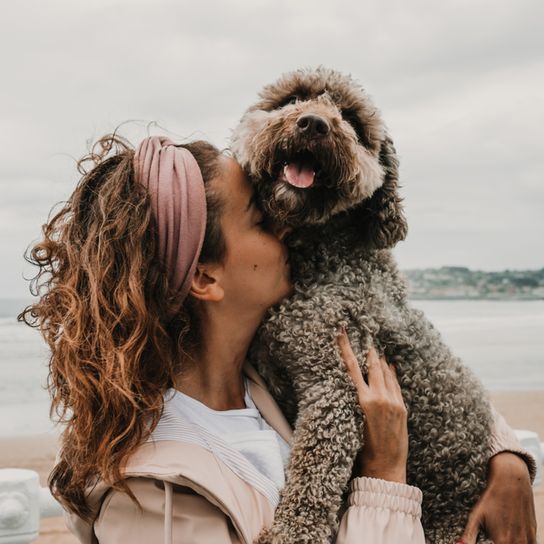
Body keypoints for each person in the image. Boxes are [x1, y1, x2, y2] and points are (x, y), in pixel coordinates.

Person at [20, 135, 537, 543]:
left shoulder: (266, 371)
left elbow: (419, 368)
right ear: (205, 278)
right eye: (263, 219)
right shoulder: (154, 500)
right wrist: (384, 475)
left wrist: (506, 459)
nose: (290, 228)